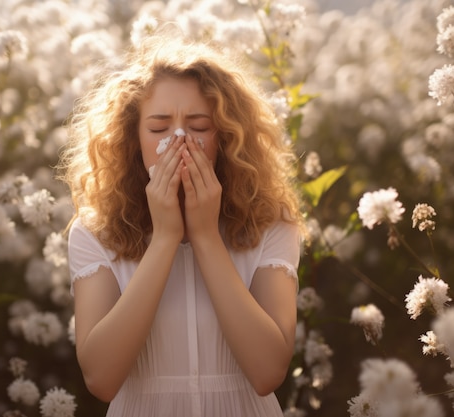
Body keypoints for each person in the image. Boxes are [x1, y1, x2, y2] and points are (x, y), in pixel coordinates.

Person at [58, 33, 305, 417]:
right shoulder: (95, 231)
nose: (178, 141)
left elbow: (268, 371)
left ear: (224, 136)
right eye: (158, 129)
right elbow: (102, 379)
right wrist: (165, 239)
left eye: (199, 126)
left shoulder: (270, 224)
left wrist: (206, 236)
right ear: (132, 139)